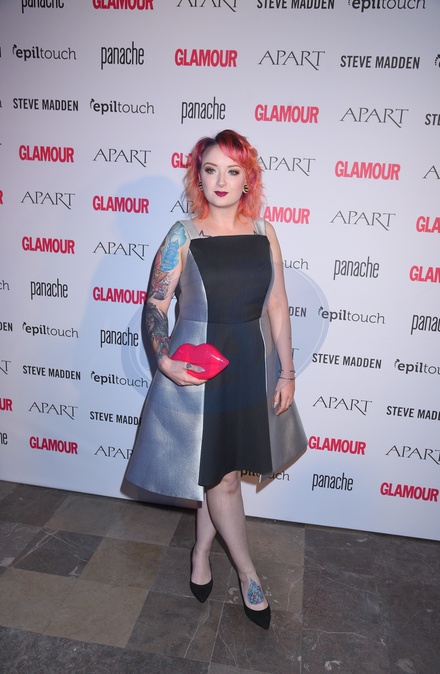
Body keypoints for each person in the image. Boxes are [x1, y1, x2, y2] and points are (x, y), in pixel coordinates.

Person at [125, 129, 307, 630]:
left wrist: (287, 371)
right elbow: (155, 305)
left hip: (250, 366)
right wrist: (164, 359)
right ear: (198, 177)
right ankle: (249, 574)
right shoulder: (182, 235)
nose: (221, 180)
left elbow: (277, 305)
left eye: (232, 170)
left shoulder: (264, 232)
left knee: (220, 471)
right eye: (210, 169)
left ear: (248, 178)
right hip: (201, 373)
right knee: (223, 478)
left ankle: (201, 552)